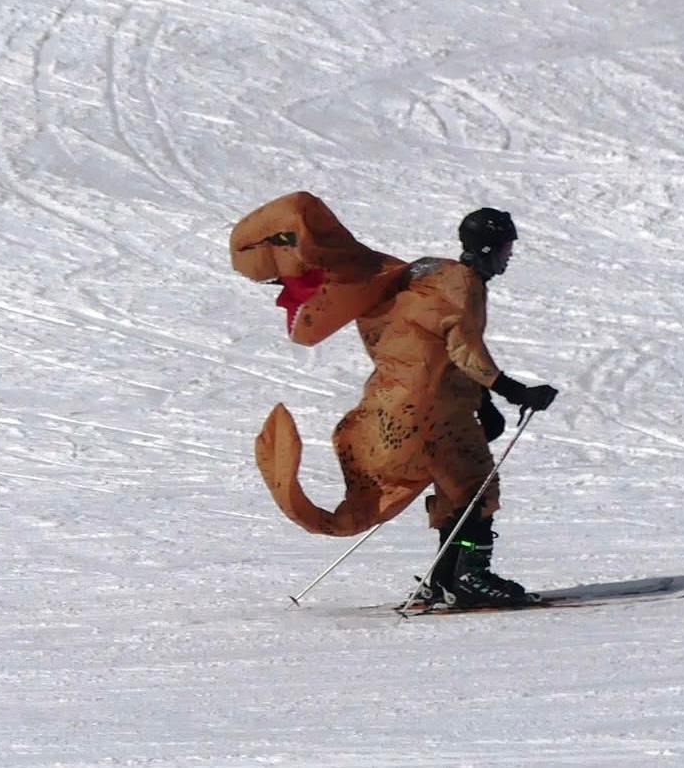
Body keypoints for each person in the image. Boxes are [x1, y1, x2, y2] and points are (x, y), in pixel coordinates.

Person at [230, 194, 557, 607]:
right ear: (490, 249)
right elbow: (461, 347)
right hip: (427, 412)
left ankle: (444, 580)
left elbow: (430, 347)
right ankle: (471, 576)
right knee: (475, 486)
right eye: (508, 249)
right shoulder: (462, 284)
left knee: (457, 487)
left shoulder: (424, 276)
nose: (509, 258)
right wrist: (513, 391)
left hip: (395, 410)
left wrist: (481, 404)